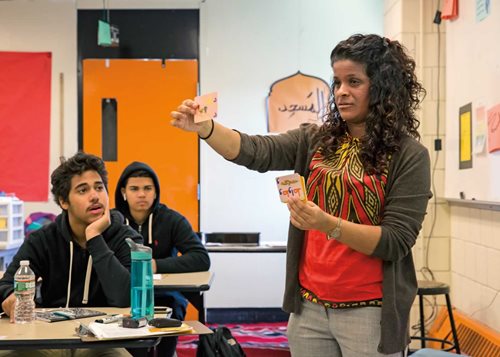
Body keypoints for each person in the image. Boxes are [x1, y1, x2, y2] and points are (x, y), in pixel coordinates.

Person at [170, 33, 432, 356]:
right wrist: (207, 129)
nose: (341, 92)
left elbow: (395, 241)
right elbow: (256, 151)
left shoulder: (409, 155)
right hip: (309, 309)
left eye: (354, 82)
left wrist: (328, 224)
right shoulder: (316, 139)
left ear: (382, 87)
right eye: (336, 82)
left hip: (370, 313)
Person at [0, 152, 142, 357]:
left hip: (101, 340)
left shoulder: (125, 238)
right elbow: (5, 285)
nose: (95, 195)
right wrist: (9, 297)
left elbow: (125, 297)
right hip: (47, 338)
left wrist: (94, 237)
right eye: (83, 190)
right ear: (64, 201)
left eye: (99, 187)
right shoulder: (43, 239)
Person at [114, 161, 210, 357]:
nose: (142, 194)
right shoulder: (113, 221)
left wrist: (156, 265)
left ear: (156, 192)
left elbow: (201, 258)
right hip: (124, 295)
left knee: (166, 332)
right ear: (124, 192)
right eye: (134, 188)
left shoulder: (172, 219)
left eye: (147, 188)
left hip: (166, 296)